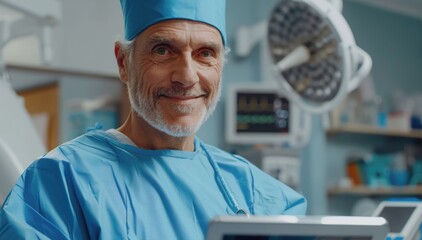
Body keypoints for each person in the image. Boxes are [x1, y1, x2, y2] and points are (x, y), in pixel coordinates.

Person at [0, 0, 307, 239]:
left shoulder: (256, 193)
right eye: (163, 50)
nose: (186, 76)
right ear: (124, 62)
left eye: (205, 53)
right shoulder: (61, 183)